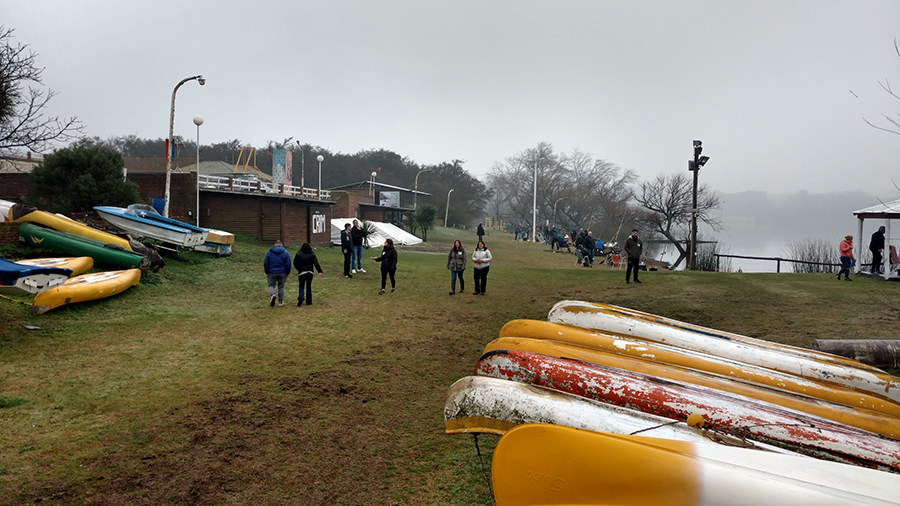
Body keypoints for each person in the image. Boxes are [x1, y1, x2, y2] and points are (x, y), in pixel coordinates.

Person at [263, 239, 291, 306]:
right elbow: (288, 264)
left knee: (271, 285)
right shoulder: (286, 253)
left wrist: (266, 271)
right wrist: (287, 272)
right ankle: (280, 301)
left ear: (274, 245)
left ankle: (273, 295)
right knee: (281, 287)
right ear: (281, 245)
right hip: (282, 272)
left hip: (272, 272)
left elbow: (266, 263)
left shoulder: (269, 252)